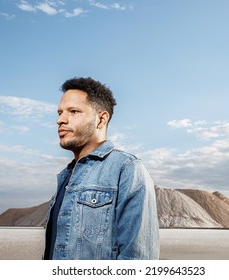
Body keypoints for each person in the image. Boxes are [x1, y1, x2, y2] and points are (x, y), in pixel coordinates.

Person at [43, 77, 159, 260]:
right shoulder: (66, 176)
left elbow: (138, 260)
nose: (60, 120)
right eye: (59, 112)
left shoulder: (127, 169)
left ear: (101, 119)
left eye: (73, 111)